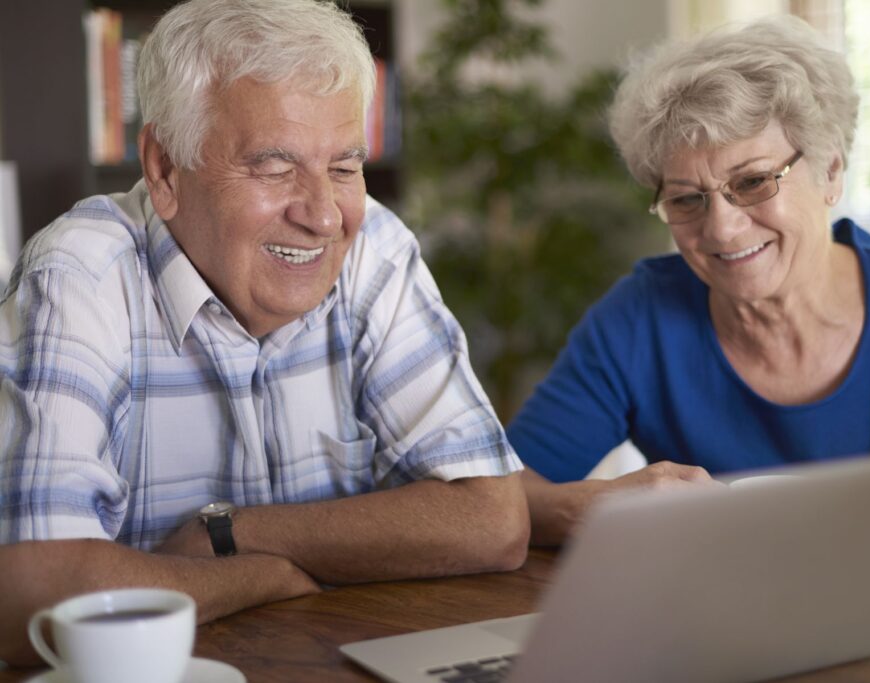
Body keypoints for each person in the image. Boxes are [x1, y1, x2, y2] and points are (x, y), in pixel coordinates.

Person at [0, 0, 528, 666]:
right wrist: (255, 574)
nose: (323, 215)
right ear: (164, 169)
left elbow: (491, 518)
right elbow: (30, 593)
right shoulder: (80, 274)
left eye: (343, 166)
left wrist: (227, 533)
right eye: (274, 167)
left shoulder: (375, 250)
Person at [507, 16, 870, 571]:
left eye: (752, 182)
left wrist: (866, 534)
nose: (722, 229)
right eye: (686, 200)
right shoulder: (638, 317)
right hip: (711, 630)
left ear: (830, 172)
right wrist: (597, 507)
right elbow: (509, 497)